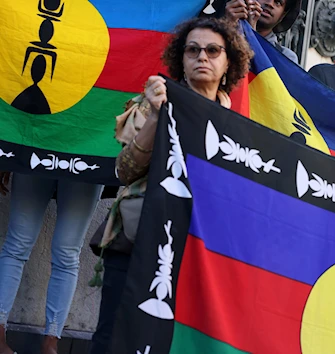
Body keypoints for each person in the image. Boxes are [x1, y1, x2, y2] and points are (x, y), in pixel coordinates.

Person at [88, 17, 253, 354]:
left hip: (199, 256)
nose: (201, 57)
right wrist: (155, 116)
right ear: (181, 58)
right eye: (192, 50)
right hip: (138, 241)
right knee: (113, 338)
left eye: (212, 50)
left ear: (228, 63)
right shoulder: (155, 102)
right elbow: (124, 172)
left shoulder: (240, 128)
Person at [0, 173, 103, 354]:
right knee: (59, 254)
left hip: (76, 152)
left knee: (60, 253)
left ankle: (51, 342)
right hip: (66, 151)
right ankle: (48, 343)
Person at [224, 0, 302, 63]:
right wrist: (227, 26)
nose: (270, 4)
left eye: (278, 2)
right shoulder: (218, 32)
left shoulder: (285, 58)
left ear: (283, 15)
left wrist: (251, 35)